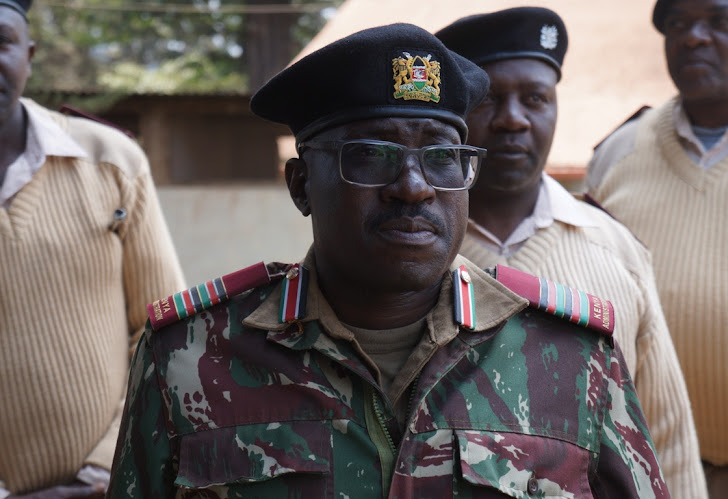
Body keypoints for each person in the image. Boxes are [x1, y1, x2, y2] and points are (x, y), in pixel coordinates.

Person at [107, 23, 668, 498]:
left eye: (442, 156)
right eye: (372, 155)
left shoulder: (570, 356)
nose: (414, 187)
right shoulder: (187, 355)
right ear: (301, 184)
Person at [435, 7, 707, 498]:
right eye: (491, 99)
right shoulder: (411, 255)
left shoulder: (615, 249)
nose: (514, 118)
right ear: (453, 117)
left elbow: (667, 441)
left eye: (535, 98)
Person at [0, 1, 186, 497]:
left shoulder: (111, 162)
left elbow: (167, 335)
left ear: (29, 54)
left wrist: (104, 471)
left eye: (1, 42)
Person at [585, 0, 728, 495]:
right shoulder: (619, 150)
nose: (694, 37)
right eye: (678, 24)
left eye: (718, 21)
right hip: (648, 470)